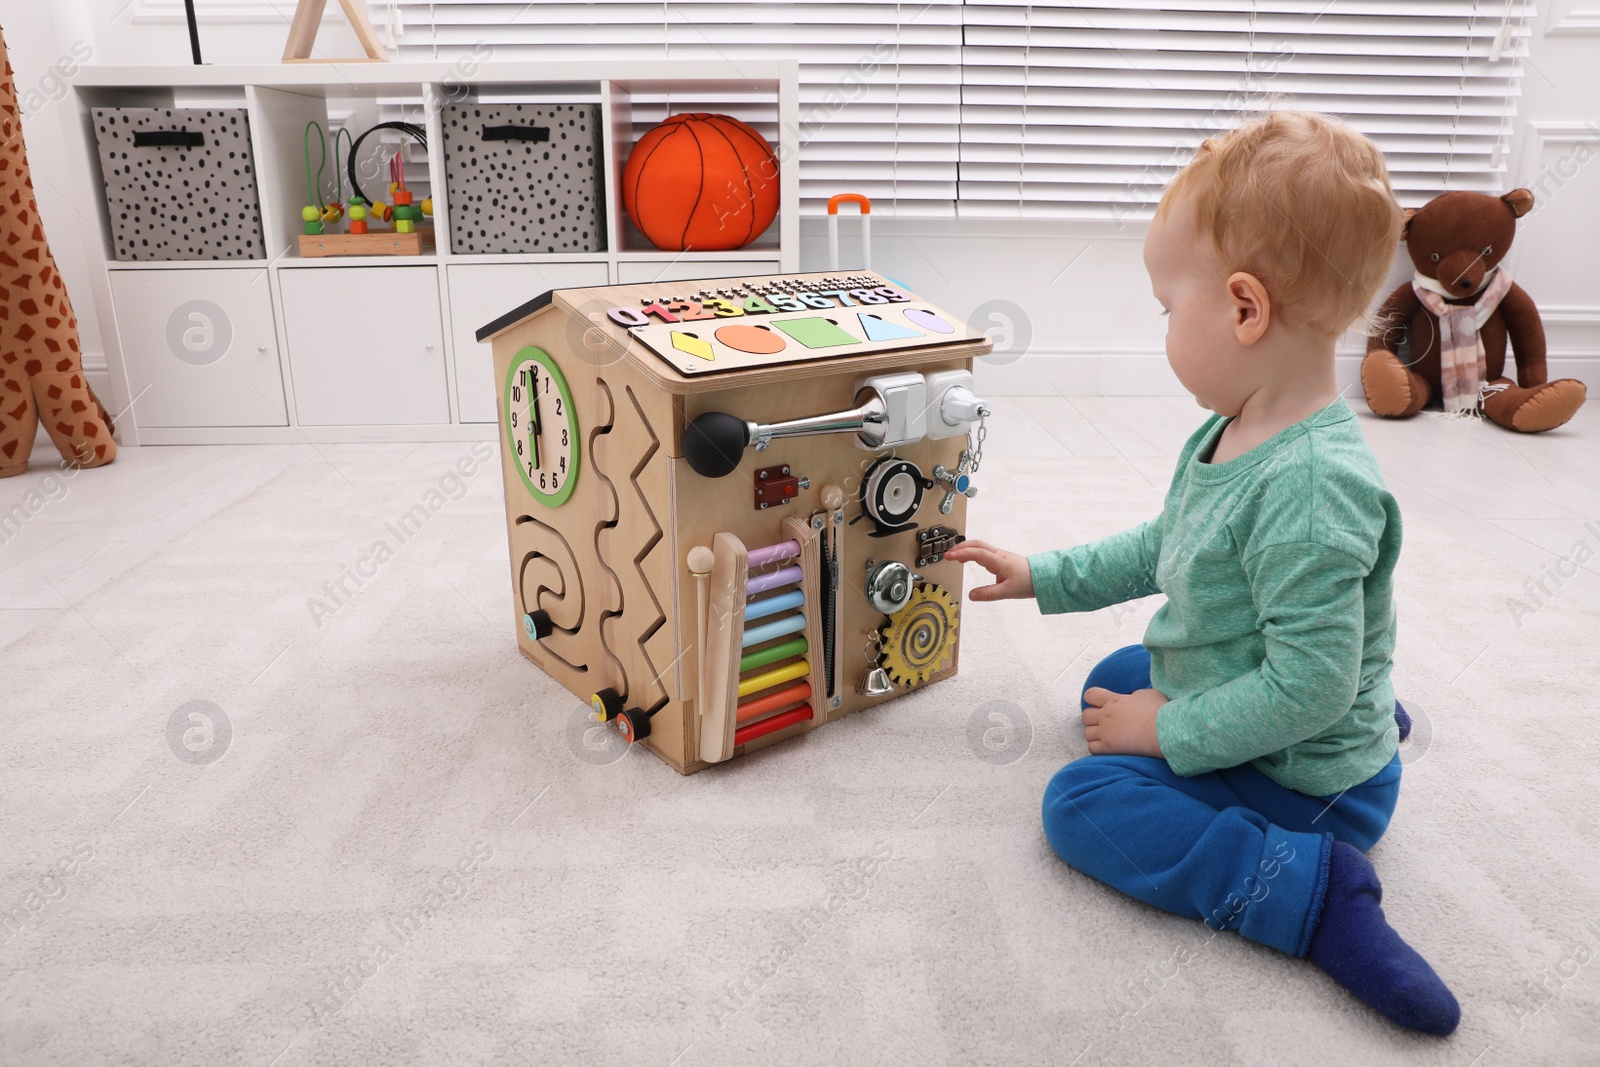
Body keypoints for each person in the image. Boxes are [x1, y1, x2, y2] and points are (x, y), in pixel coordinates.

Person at [944, 111, 1459, 1035]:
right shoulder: (1231, 430)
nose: (1163, 326)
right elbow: (1166, 549)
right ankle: (1364, 710)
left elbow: (1308, 685)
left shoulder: (1312, 487)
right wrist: (1040, 573)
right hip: (1301, 700)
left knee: (1082, 802)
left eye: (1166, 307)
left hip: (1308, 772)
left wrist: (1172, 727)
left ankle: (1312, 890)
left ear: (1244, 308)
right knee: (1115, 680)